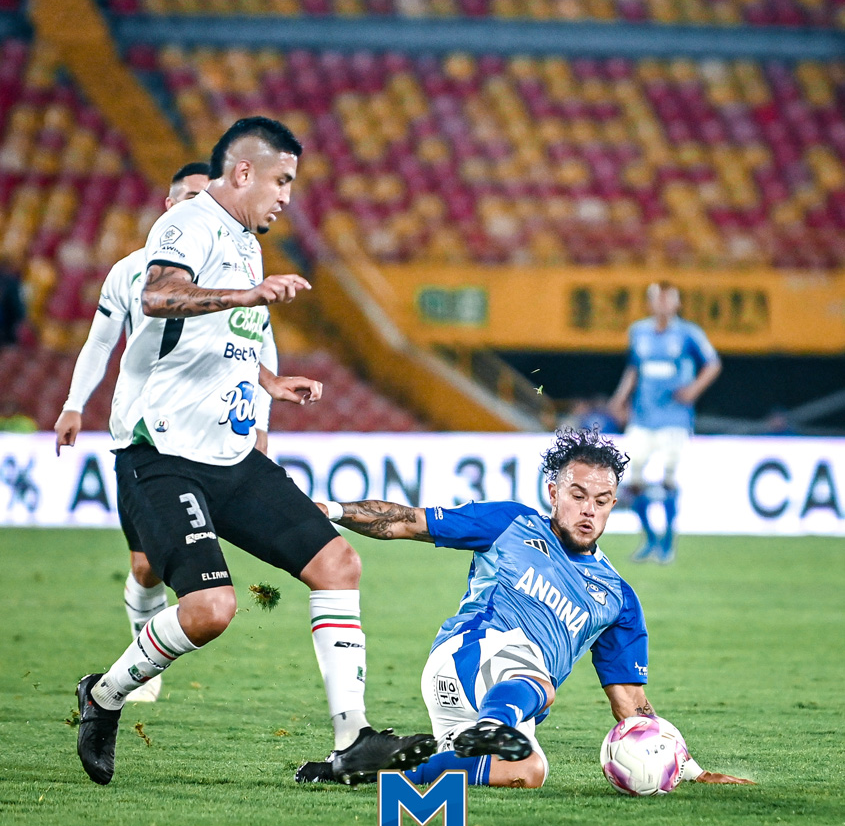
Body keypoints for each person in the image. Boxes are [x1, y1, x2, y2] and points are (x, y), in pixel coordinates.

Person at [74, 116, 434, 786]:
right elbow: (158, 295)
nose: (287, 197)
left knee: (338, 565)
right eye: (281, 180)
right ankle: (104, 696)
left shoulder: (245, 241)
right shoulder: (188, 223)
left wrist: (268, 381)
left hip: (231, 456)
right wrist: (246, 294)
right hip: (164, 456)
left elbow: (218, 340)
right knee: (210, 610)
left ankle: (351, 741)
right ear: (243, 172)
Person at [298, 427, 752, 791]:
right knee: (536, 676)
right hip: (465, 659)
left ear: (613, 504)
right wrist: (330, 510)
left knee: (529, 771)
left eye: (600, 501)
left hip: (506, 708)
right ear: (553, 492)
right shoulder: (512, 523)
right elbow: (404, 522)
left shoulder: (618, 597)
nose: (588, 511)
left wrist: (688, 768)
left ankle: (375, 770)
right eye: (577, 495)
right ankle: (493, 723)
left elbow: (632, 706)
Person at [55, 163, 235, 704]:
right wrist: (73, 405)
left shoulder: (231, 270)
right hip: (140, 437)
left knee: (187, 571)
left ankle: (144, 662)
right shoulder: (131, 271)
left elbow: (250, 351)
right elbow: (99, 342)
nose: (198, 208)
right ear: (168, 205)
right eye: (189, 198)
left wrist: (257, 423)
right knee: (145, 565)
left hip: (203, 438)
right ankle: (142, 652)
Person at [607, 281, 721, 564]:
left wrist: (694, 390)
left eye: (668, 299)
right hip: (642, 416)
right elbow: (634, 368)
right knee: (632, 479)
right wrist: (620, 398)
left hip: (674, 418)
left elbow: (713, 363)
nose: (663, 304)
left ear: (677, 303)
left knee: (668, 477)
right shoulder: (638, 332)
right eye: (658, 298)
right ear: (649, 303)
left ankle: (668, 542)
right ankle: (650, 539)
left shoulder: (689, 333)